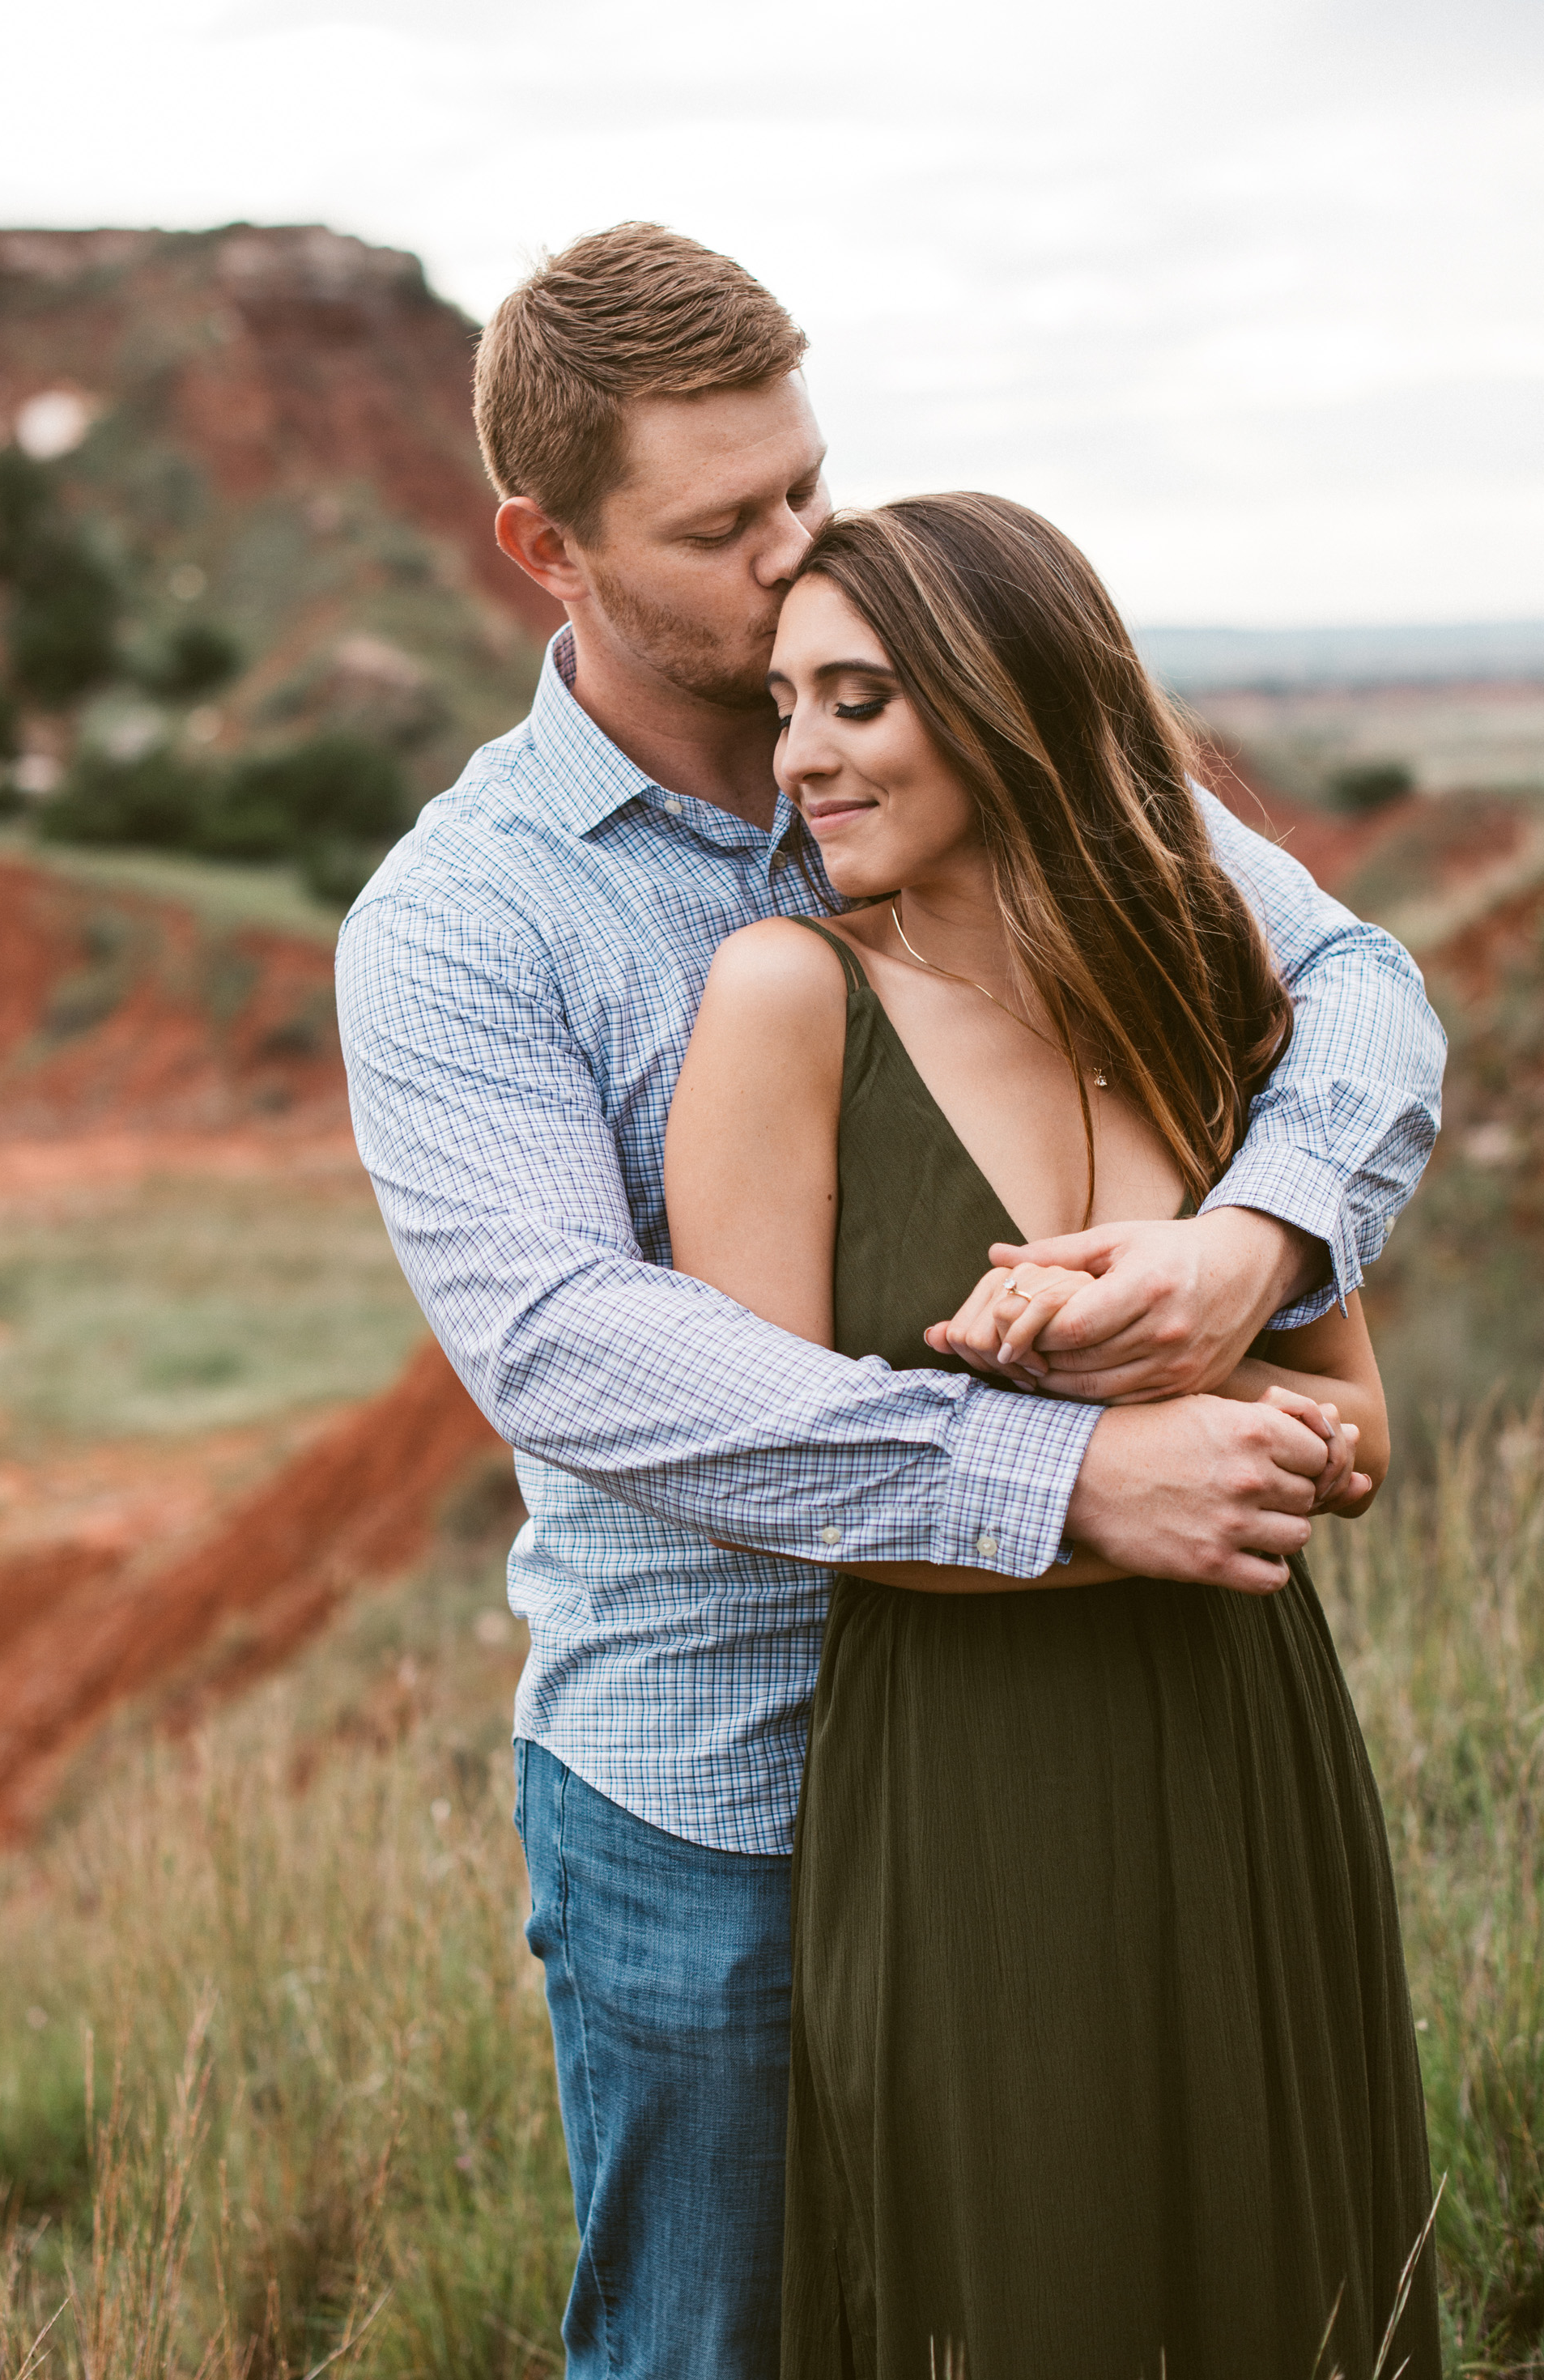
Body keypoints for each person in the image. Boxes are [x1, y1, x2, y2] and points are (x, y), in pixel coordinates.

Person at [334, 224, 1445, 2380]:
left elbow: (1352, 987)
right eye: (721, 525)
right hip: (718, 1775)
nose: (791, 558)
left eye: (807, 490)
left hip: (1081, 1743)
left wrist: (1255, 1246)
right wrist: (1067, 1471)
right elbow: (571, 1348)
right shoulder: (465, 921)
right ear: (542, 545)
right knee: (722, 2343)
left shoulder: (970, 740)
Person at [665, 493, 1439, 2380]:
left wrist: (1202, 1384)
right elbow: (769, 1478)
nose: (803, 758)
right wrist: (1101, 1482)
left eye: (857, 699)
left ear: (1001, 693)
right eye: (785, 705)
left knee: (1282, 2280)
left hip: (1246, 1725)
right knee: (1026, 2289)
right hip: (967, 1763)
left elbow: (1353, 1425)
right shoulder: (786, 995)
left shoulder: (1202, 981)